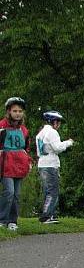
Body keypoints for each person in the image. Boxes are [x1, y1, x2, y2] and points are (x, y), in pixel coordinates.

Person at [0, 97, 34, 231]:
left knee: (16, 195)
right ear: (9, 111)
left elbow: (26, 148)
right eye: (15, 111)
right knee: (9, 192)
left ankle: (12, 221)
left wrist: (28, 162)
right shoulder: (2, 127)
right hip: (6, 164)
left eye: (20, 111)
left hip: (19, 164)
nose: (17, 113)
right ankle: (2, 220)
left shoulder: (24, 130)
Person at [35, 110, 75, 224]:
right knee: (53, 191)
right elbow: (57, 147)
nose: (59, 124)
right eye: (58, 122)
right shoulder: (52, 132)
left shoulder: (41, 133)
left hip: (42, 163)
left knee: (47, 190)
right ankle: (46, 216)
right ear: (53, 121)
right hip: (51, 164)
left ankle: (50, 214)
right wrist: (69, 142)